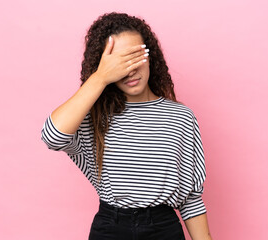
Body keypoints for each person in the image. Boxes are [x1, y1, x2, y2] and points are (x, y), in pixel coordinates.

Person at [41, 12, 212, 240]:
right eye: (118, 63)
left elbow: (190, 198)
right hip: (110, 228)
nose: (129, 70)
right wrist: (100, 77)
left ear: (151, 56)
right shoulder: (95, 117)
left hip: (163, 229)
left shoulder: (181, 118)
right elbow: (52, 136)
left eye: (134, 57)